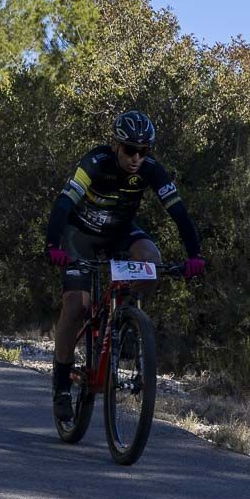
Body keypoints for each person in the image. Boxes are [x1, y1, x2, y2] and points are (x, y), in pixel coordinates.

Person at [45, 110, 206, 421]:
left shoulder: (151, 170)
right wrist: (53, 246)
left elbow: (179, 212)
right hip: (81, 235)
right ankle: (62, 384)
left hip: (120, 232)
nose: (136, 158)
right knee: (76, 306)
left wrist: (194, 255)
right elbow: (64, 203)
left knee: (153, 261)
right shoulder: (96, 161)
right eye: (130, 150)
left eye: (143, 151)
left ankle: (124, 321)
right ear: (116, 146)